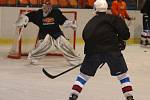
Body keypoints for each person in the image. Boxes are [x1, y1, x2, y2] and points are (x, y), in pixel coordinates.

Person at [68, 0, 134, 100]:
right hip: (112, 51)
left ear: (95, 9)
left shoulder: (91, 22)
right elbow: (126, 35)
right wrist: (119, 41)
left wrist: (91, 52)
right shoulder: (114, 19)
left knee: (83, 75)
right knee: (123, 75)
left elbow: (86, 36)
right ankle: (129, 97)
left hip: (94, 52)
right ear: (106, 8)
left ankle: (73, 95)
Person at [15, 0, 81, 66]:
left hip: (56, 32)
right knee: (42, 45)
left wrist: (70, 24)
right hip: (44, 32)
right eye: (45, 5)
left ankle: (74, 59)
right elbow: (28, 16)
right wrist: (24, 19)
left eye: (48, 6)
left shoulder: (56, 12)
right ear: (42, 6)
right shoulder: (38, 14)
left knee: (65, 44)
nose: (46, 8)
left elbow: (63, 21)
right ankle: (34, 57)